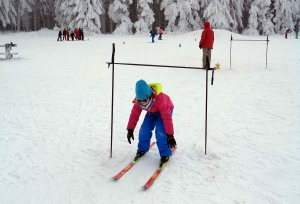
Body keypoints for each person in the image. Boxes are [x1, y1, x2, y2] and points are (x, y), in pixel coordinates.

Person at [126, 79, 177, 164]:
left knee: (160, 130)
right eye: (140, 101)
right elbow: (134, 114)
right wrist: (130, 129)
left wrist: (170, 135)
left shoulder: (160, 99)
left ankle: (165, 153)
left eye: (144, 100)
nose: (142, 103)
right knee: (144, 129)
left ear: (150, 96)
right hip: (152, 111)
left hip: (166, 111)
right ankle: (142, 149)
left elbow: (167, 118)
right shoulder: (138, 102)